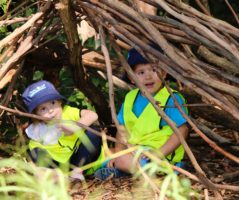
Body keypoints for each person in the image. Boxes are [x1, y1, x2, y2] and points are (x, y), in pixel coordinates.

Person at [95, 44, 189, 180]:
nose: (148, 76)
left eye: (154, 70)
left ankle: (166, 168)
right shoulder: (130, 98)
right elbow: (122, 130)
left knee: (122, 161)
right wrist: (119, 152)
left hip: (161, 154)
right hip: (135, 151)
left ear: (164, 72)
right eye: (141, 72)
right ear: (132, 77)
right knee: (107, 159)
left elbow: (182, 131)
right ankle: (126, 168)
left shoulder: (171, 98)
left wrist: (158, 154)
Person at [22, 80, 105, 175]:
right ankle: (57, 175)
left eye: (53, 103)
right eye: (43, 109)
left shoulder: (68, 112)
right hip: (58, 166)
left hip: (82, 159)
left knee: (92, 132)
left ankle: (77, 172)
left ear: (60, 102)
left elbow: (92, 115)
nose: (51, 111)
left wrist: (75, 127)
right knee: (35, 152)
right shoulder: (37, 130)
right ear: (35, 114)